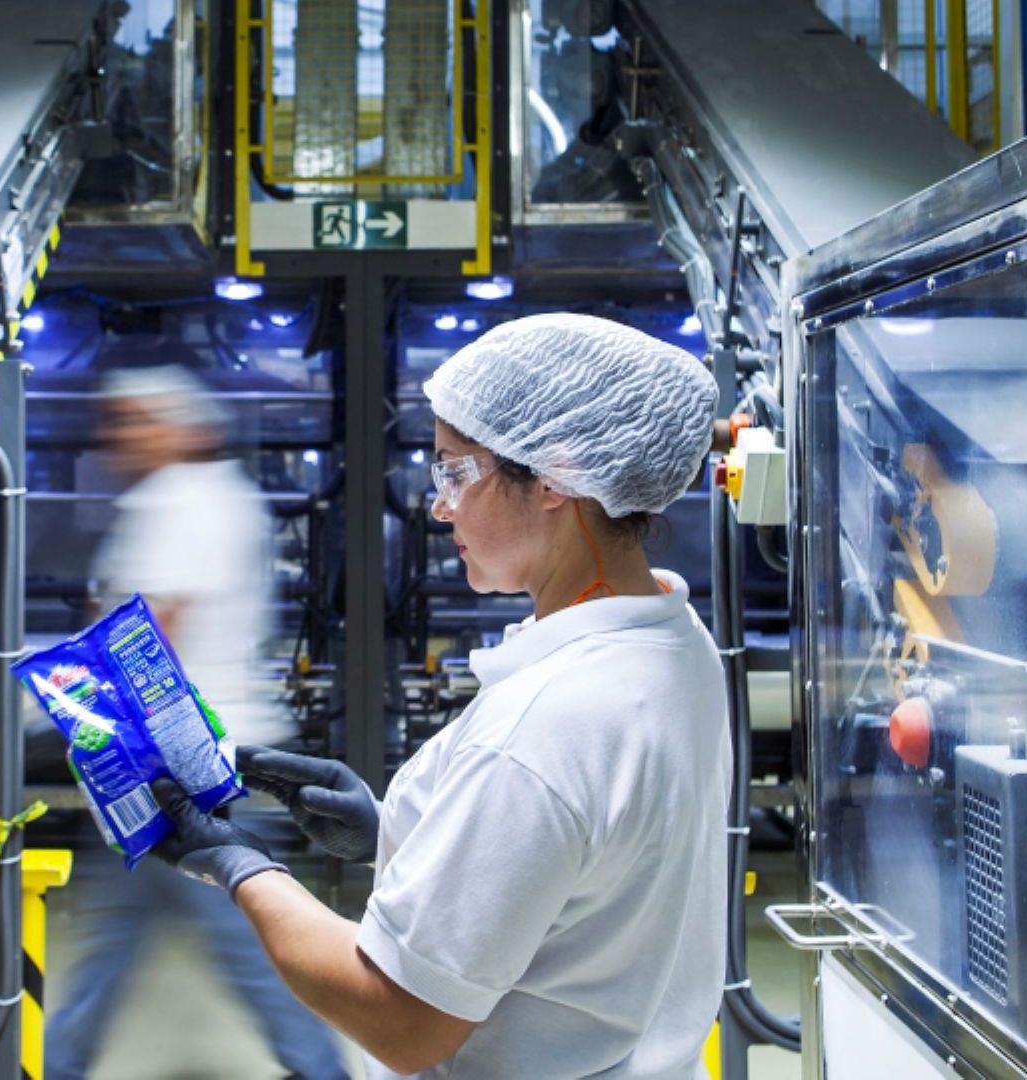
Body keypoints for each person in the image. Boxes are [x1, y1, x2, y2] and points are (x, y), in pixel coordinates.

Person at [146, 314, 731, 1078]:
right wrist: (395, 832)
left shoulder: (545, 726)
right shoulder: (676, 641)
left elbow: (402, 1022)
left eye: (455, 473)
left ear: (554, 476)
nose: (438, 506)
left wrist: (243, 868)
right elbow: (585, 873)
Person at [43, 364, 346, 1080]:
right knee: (123, 927)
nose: (118, 436)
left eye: (135, 421)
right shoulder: (218, 497)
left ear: (184, 429)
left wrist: (82, 715)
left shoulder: (181, 502)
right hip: (193, 759)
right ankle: (57, 1064)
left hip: (182, 767)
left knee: (239, 934)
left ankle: (322, 1070)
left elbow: (149, 640)